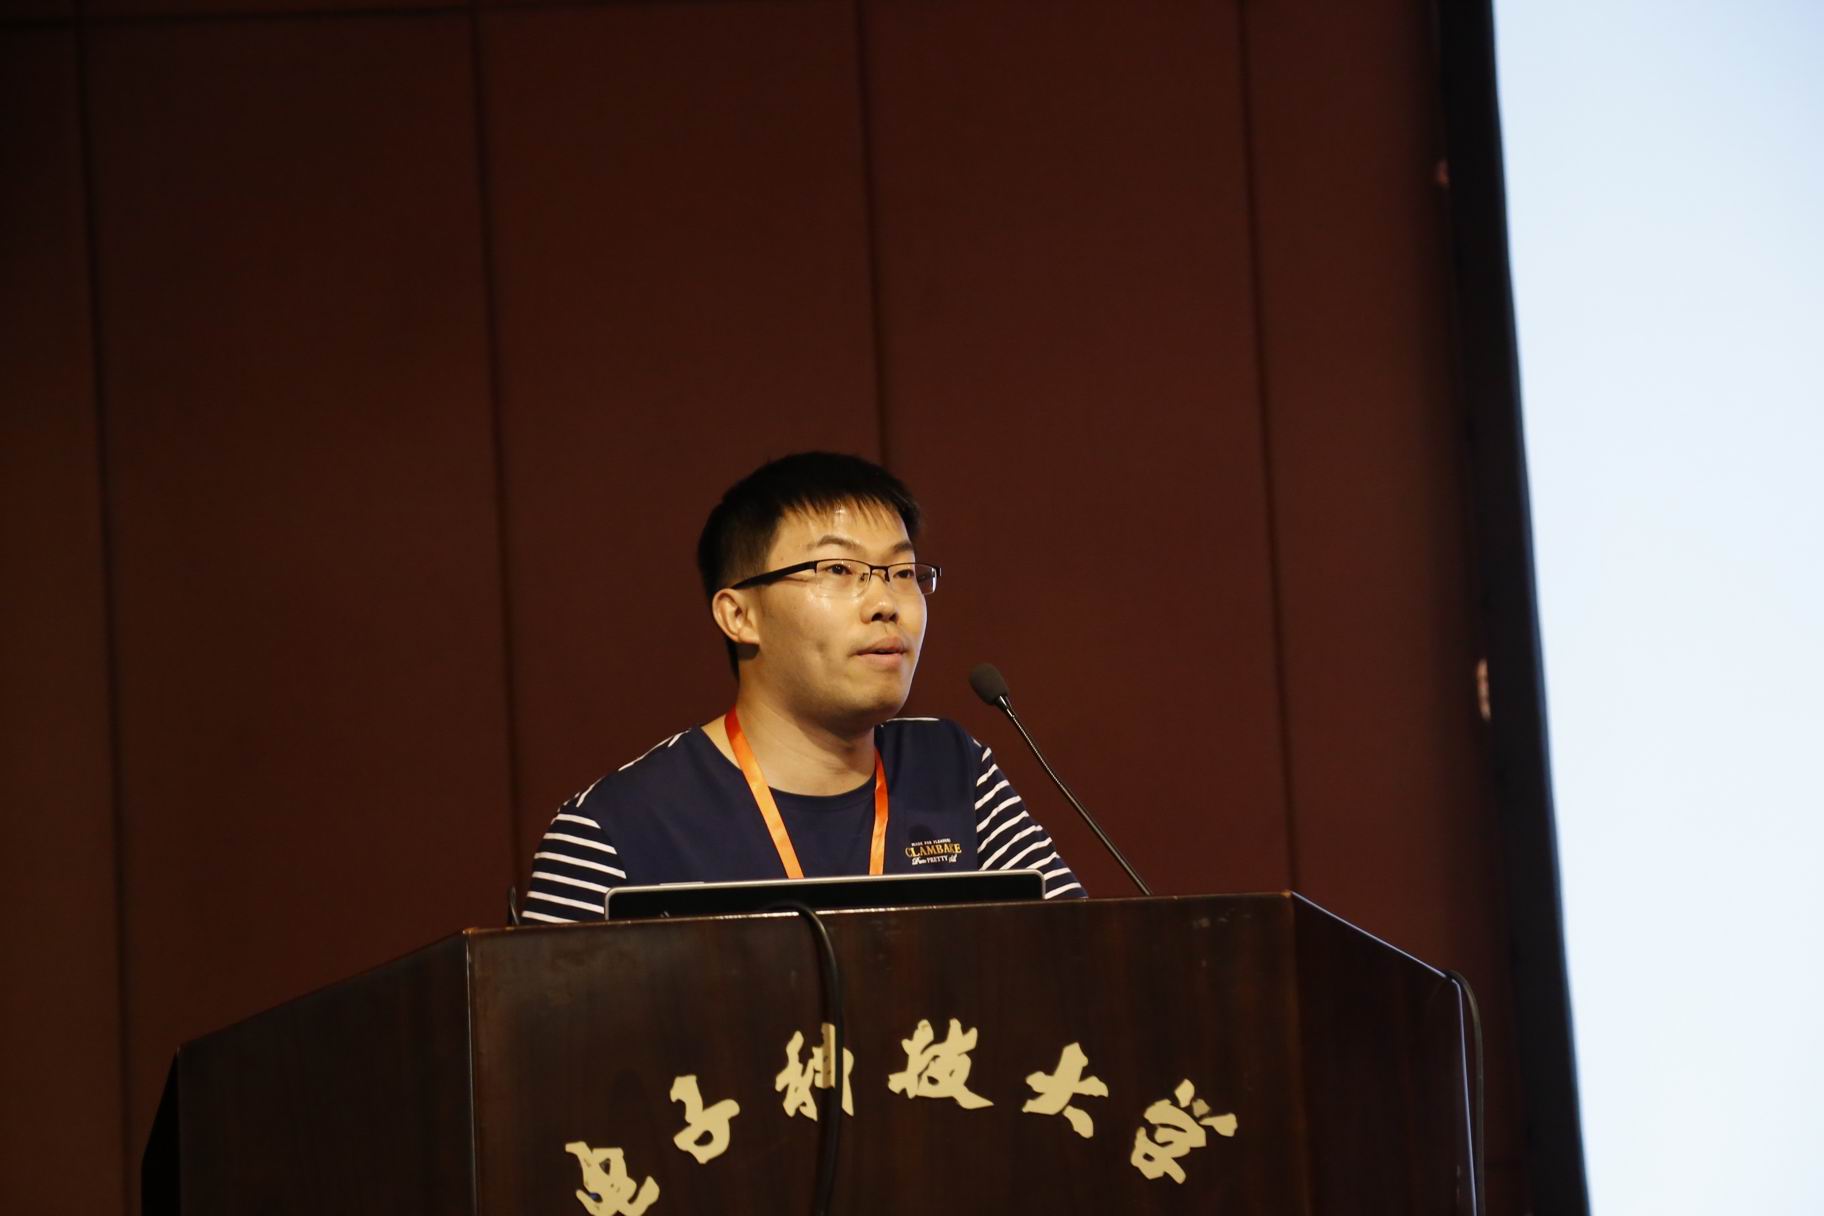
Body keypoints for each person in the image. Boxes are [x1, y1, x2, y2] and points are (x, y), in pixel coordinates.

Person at [521, 452, 1082, 923]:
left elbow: (1079, 965)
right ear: (739, 615)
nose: (886, 604)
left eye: (903, 573)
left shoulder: (954, 770)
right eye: (838, 570)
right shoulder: (614, 831)